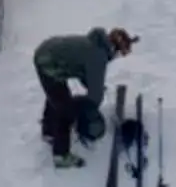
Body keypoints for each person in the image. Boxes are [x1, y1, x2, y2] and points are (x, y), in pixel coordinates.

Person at [32, 26, 134, 167]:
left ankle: (49, 131)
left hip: (46, 53)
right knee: (65, 109)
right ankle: (61, 155)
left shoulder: (94, 44)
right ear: (114, 48)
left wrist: (92, 85)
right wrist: (88, 113)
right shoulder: (99, 56)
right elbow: (94, 98)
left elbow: (81, 70)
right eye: (119, 53)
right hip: (48, 61)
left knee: (57, 94)